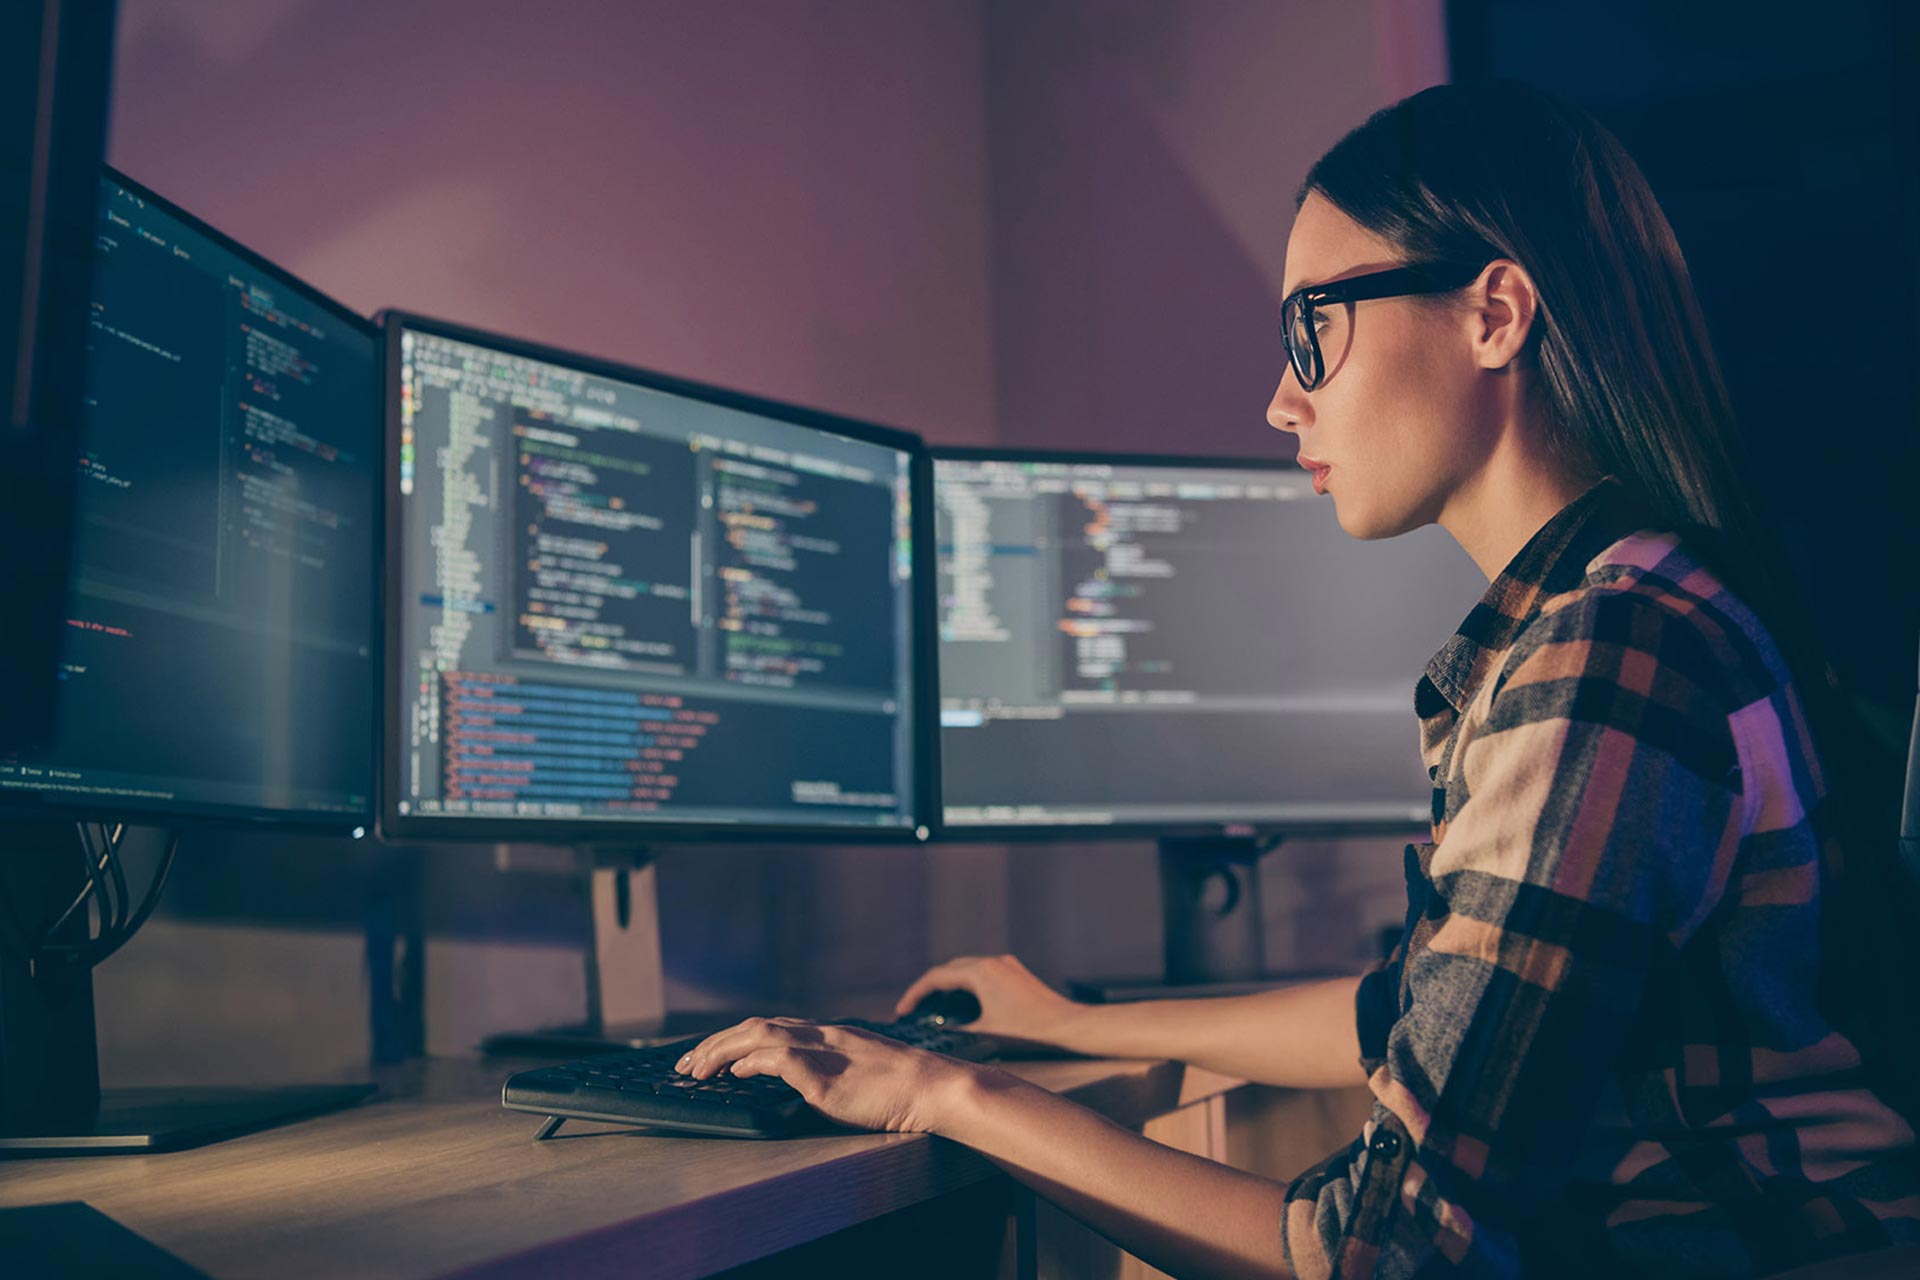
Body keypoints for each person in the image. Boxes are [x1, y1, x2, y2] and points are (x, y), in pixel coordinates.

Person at [676, 80, 1920, 1278]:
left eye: (1312, 328)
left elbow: (1382, 1252)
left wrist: (938, 1088)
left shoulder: (1607, 660)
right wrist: (1066, 1021)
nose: (1282, 399)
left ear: (1496, 313)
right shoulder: (1649, 599)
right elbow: (1421, 1011)